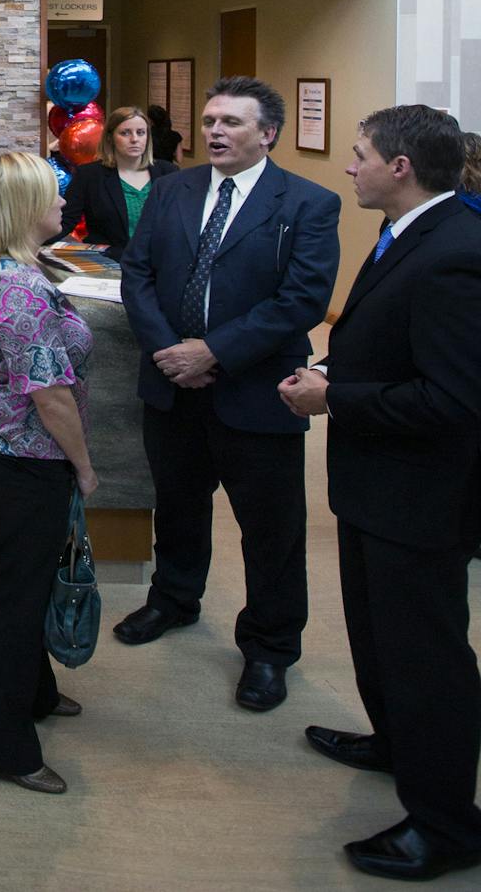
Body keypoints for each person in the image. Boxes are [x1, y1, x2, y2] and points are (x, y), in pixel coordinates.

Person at [280, 105, 481, 882]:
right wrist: (333, 371)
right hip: (375, 487)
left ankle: (447, 824)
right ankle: (394, 742)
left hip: (420, 499)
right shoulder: (405, 232)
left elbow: (455, 401)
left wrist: (336, 400)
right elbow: (390, 344)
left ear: (400, 167)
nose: (348, 166)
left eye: (359, 154)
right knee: (376, 633)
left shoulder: (456, 251)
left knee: (426, 656)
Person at [116, 76, 340, 711]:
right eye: (211, 120)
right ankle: (173, 600)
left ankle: (269, 648)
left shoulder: (307, 203)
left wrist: (213, 351)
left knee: (271, 530)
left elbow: (302, 301)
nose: (215, 131)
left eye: (232, 123)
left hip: (256, 391)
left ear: (267, 133)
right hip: (172, 387)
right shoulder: (170, 191)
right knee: (178, 505)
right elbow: (138, 273)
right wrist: (171, 352)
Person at [0, 150, 97, 795]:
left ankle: (34, 694)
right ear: (23, 209)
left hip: (2, 449)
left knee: (26, 582)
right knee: (14, 599)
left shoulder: (3, 269)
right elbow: (50, 393)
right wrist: (84, 467)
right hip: (20, 456)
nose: (63, 205)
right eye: (52, 196)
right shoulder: (16, 287)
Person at [60, 105, 178, 259]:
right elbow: (65, 221)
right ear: (110, 137)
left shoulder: (168, 173)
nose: (135, 139)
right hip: (110, 264)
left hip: (159, 264)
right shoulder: (89, 175)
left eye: (141, 133)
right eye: (125, 133)